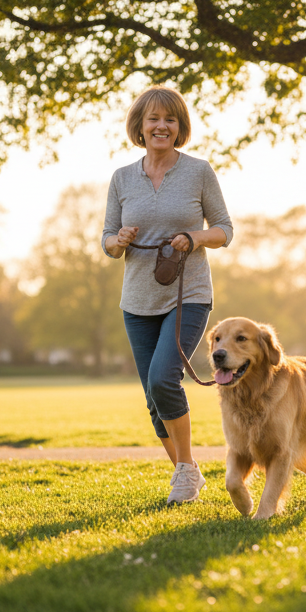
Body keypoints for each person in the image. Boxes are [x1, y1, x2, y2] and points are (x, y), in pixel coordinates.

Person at [102, 86, 234, 505]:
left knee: (164, 379)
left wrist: (194, 237)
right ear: (139, 126)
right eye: (154, 119)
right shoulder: (122, 178)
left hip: (187, 293)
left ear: (180, 128)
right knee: (152, 395)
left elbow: (225, 229)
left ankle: (184, 468)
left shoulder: (198, 172)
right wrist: (117, 240)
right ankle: (188, 472)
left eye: (170, 120)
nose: (162, 126)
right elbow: (106, 239)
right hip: (136, 301)